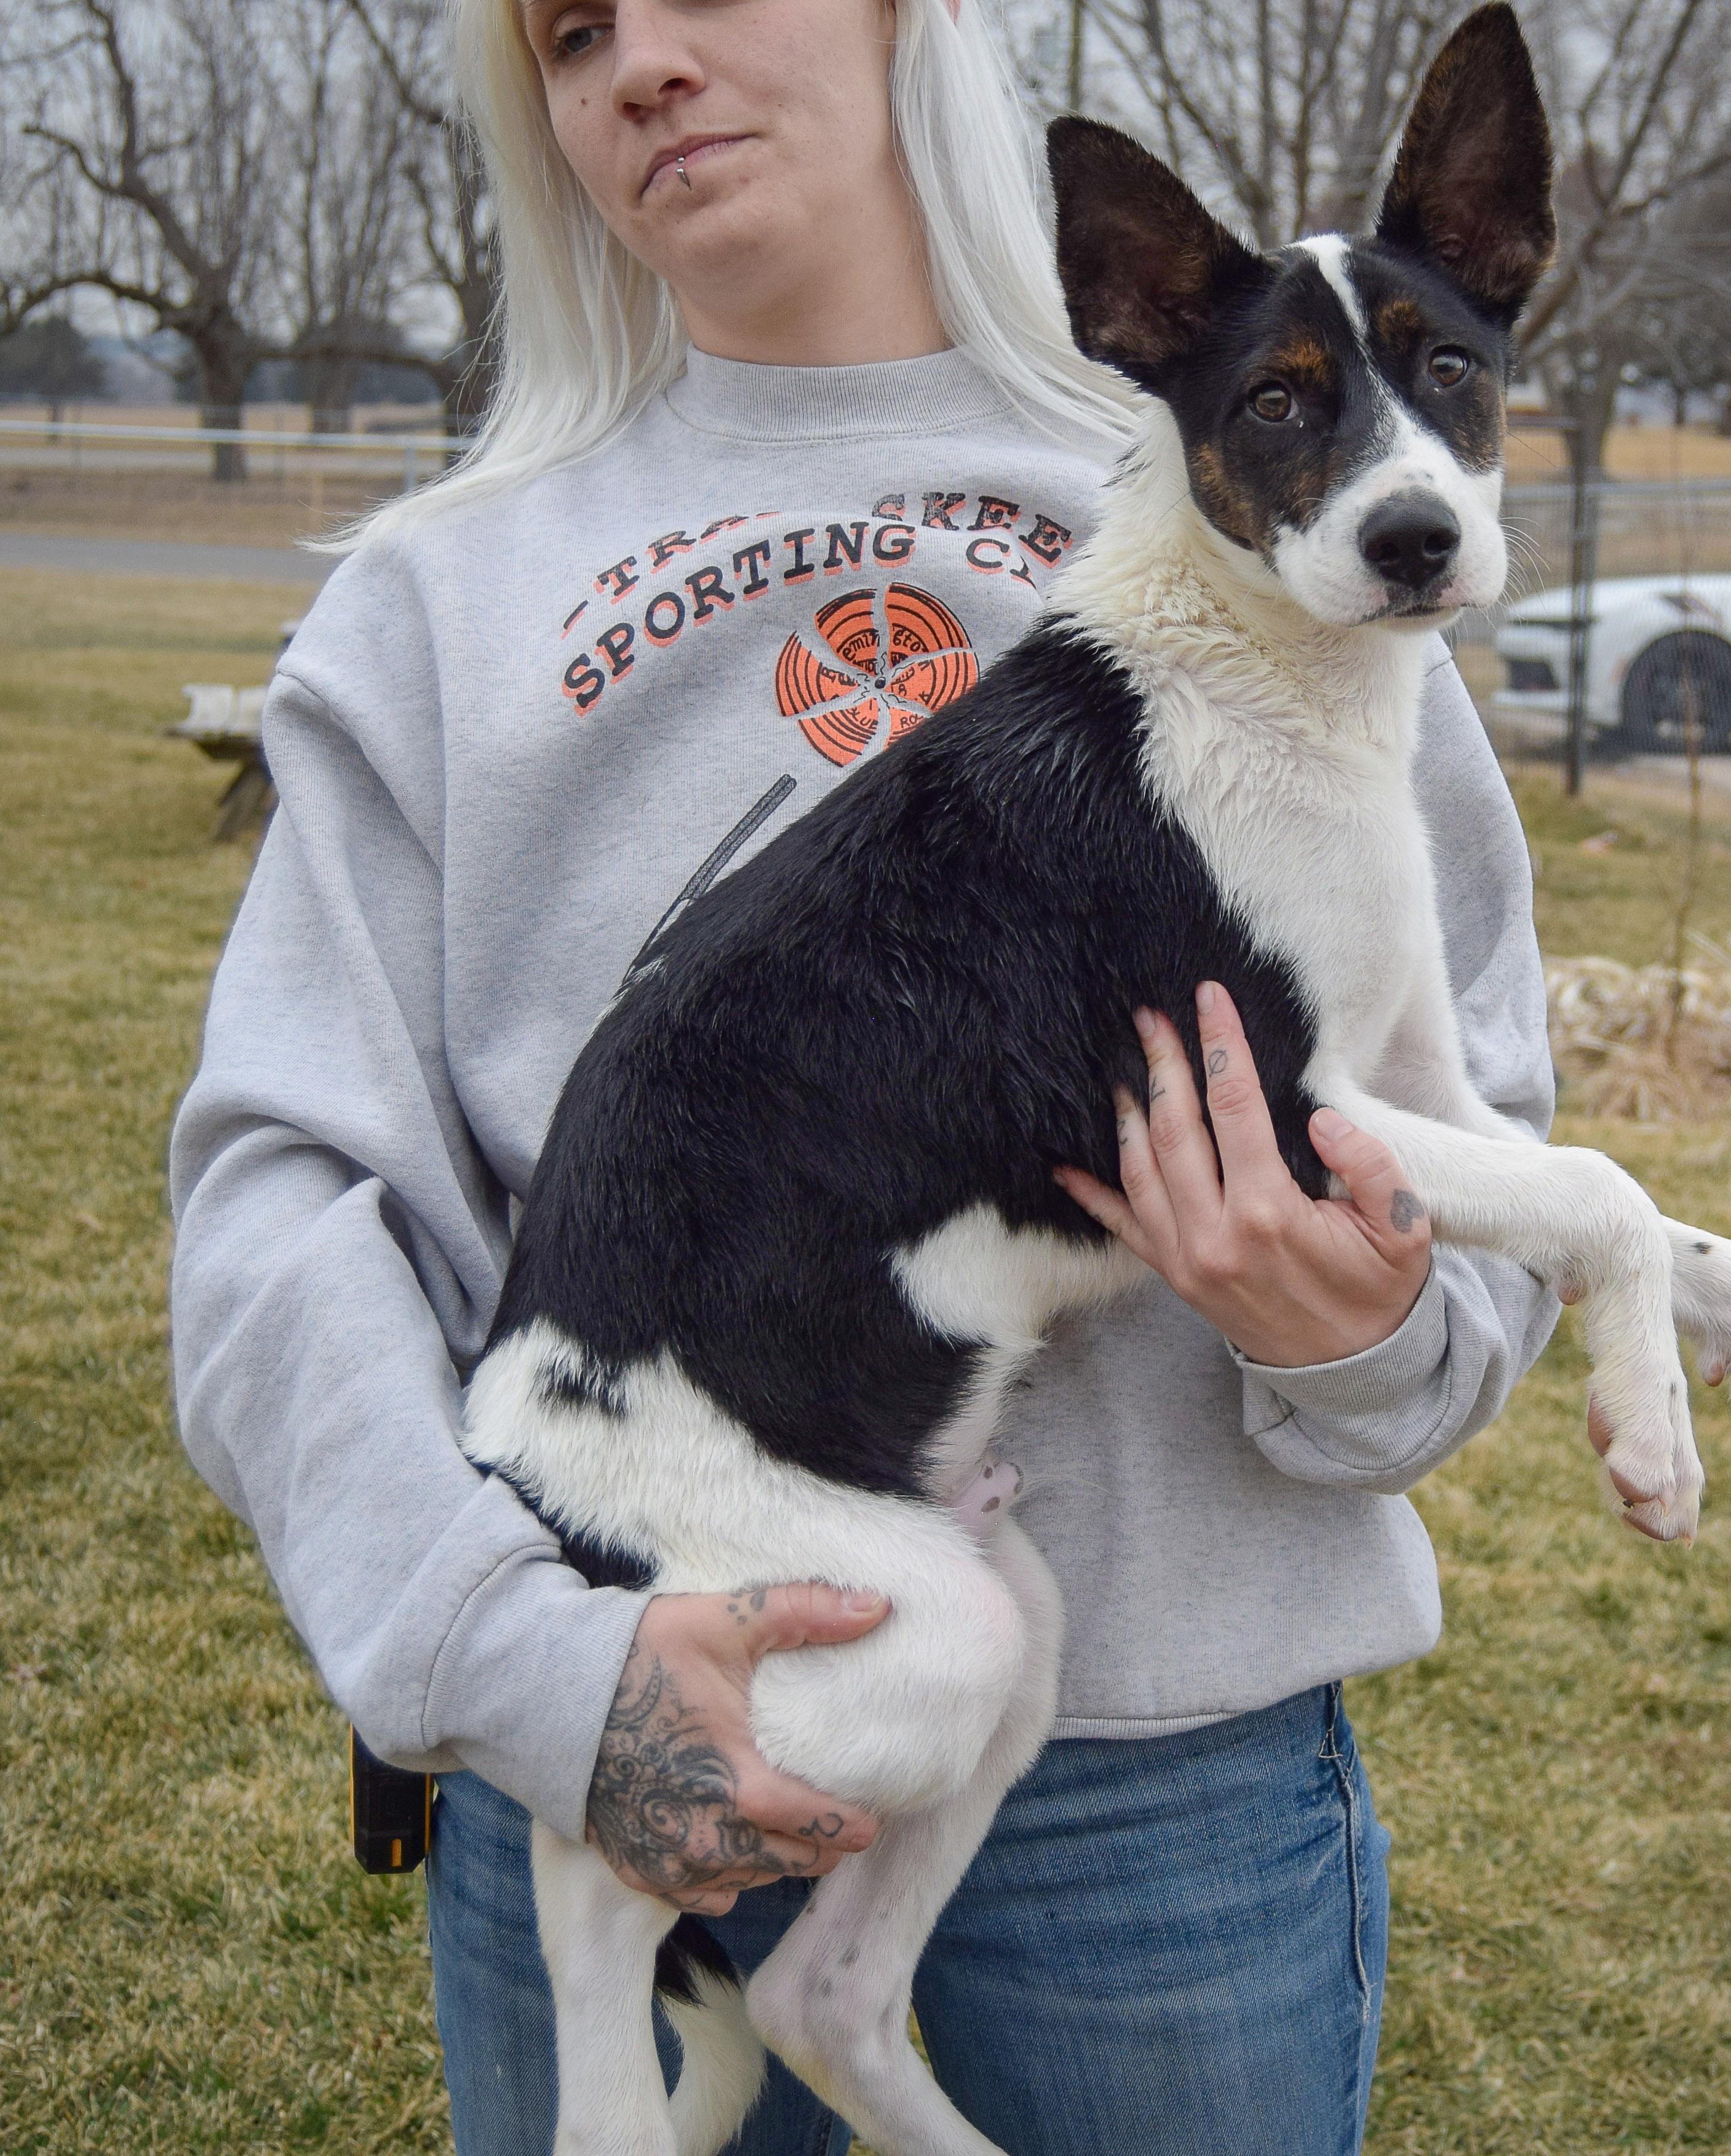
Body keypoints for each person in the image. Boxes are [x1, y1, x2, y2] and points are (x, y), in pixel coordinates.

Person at [167, 0, 1559, 2149]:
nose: (638, 63)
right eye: (566, 32)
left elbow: (1480, 1153)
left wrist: (1370, 1333)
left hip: (1148, 1824)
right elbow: (282, 1208)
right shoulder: (436, 602)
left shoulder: (1295, 504)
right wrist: (530, 1672)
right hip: (600, 1745)